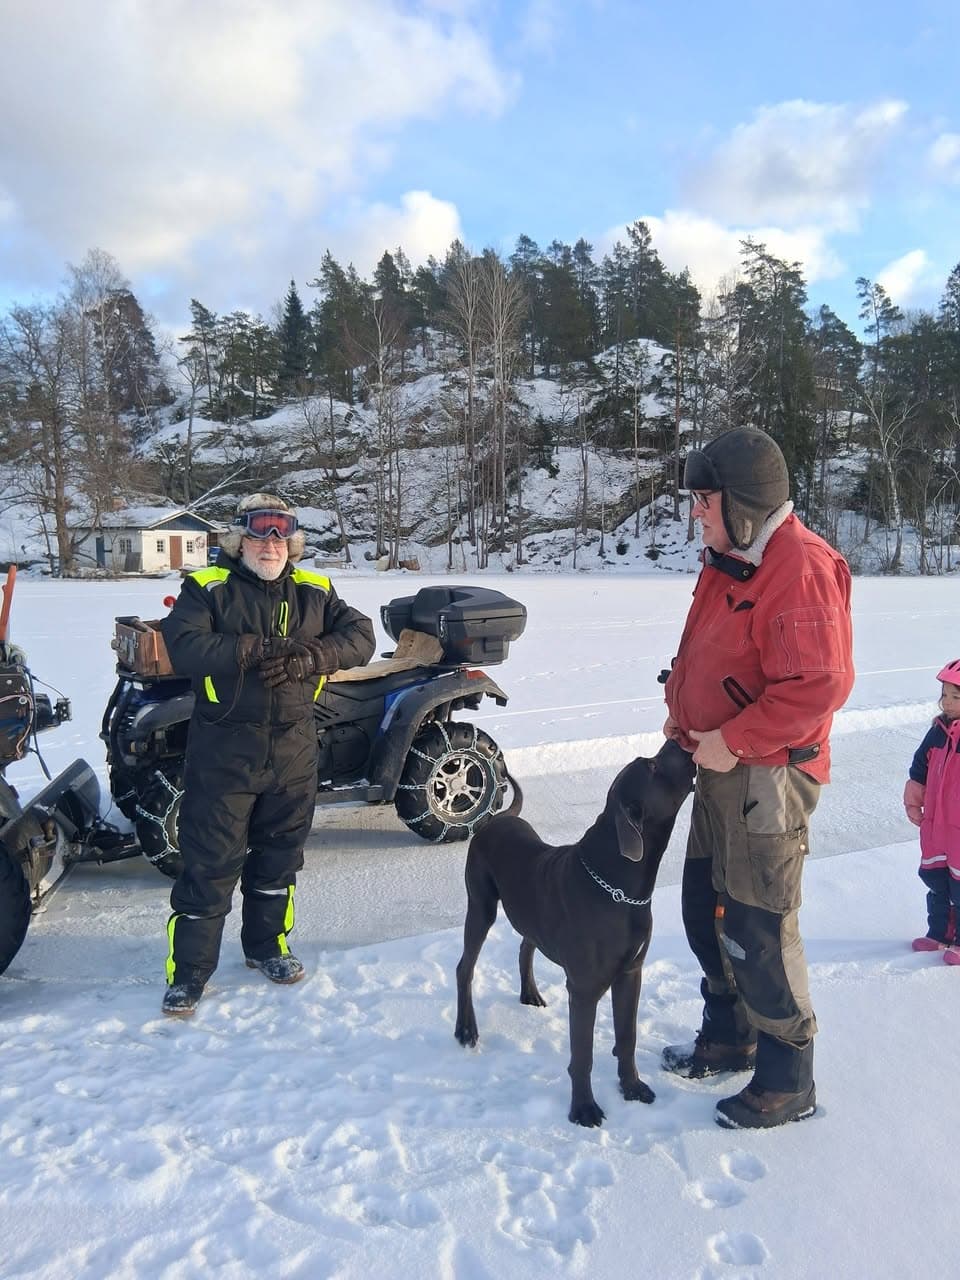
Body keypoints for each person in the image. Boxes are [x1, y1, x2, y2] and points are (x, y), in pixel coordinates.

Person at [661, 427, 854, 1129]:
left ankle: (787, 1078)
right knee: (702, 910)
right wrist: (687, 720)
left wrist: (733, 738)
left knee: (757, 925)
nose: (696, 514)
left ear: (743, 501)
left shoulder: (799, 566)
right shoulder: (732, 557)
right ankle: (729, 1034)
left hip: (765, 777)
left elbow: (818, 688)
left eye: (705, 500)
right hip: (715, 766)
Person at [159, 493, 375, 1016]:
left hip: (294, 750)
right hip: (224, 751)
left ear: (293, 542)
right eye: (260, 534)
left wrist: (313, 655)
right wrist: (249, 650)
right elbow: (183, 644)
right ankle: (188, 973)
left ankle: (267, 948)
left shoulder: (316, 590)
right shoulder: (208, 587)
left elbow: (362, 637)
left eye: (282, 535)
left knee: (279, 859)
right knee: (210, 864)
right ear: (239, 539)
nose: (271, 545)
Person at [903, 660, 960, 963]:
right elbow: (919, 768)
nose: (947, 703)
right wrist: (915, 798)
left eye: (956, 697)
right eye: (944, 695)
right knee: (936, 878)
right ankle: (940, 934)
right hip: (936, 825)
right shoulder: (937, 732)